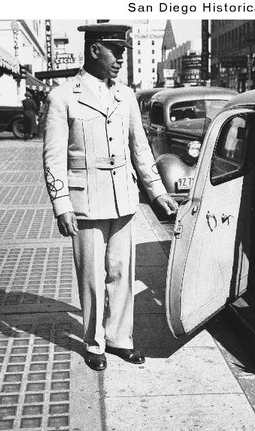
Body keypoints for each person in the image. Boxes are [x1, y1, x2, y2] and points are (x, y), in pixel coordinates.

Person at [43, 23, 178, 371]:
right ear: (94, 51)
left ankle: (120, 339)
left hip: (122, 198)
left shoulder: (126, 96)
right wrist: (61, 205)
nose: (120, 59)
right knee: (90, 276)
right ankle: (94, 343)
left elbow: (140, 148)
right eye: (115, 50)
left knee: (121, 272)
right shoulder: (63, 96)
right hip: (84, 202)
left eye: (123, 52)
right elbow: (53, 157)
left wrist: (157, 191)